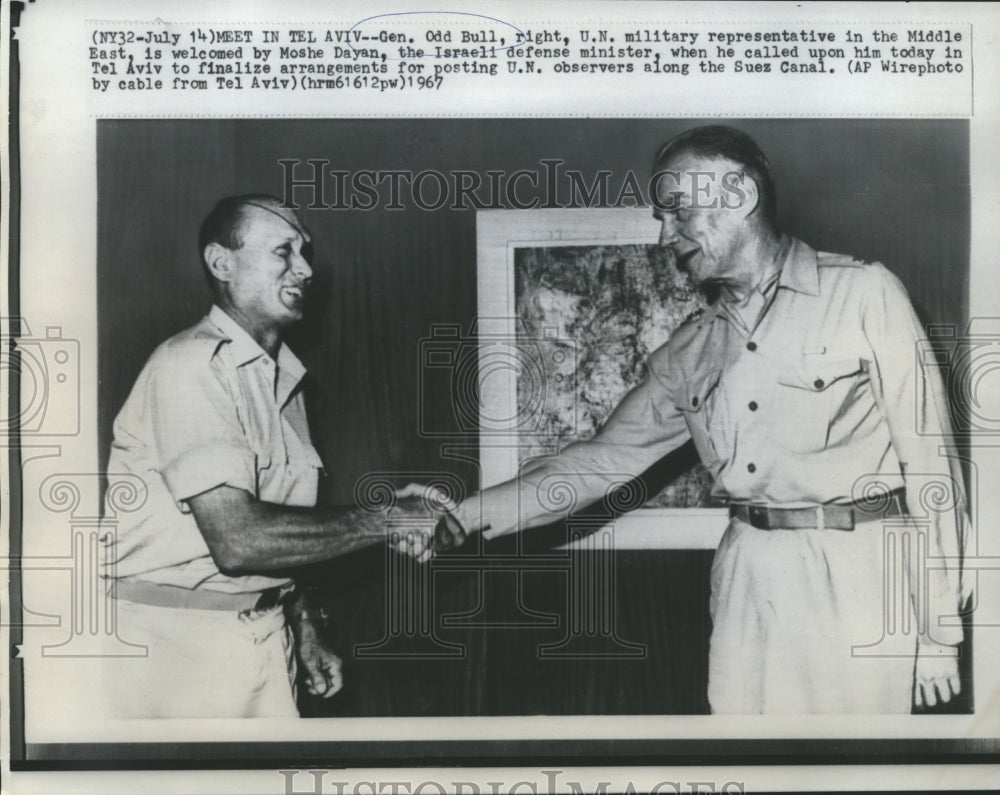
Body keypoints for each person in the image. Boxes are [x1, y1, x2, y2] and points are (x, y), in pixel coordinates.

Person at [416, 126, 971, 713]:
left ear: (739, 196)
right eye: (662, 217)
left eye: (678, 211)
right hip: (746, 580)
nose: (665, 234)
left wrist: (938, 631)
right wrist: (465, 516)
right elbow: (599, 463)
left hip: (862, 577)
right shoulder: (690, 350)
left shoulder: (865, 293)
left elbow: (932, 464)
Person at [100, 195, 453, 718]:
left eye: (304, 253)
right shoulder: (191, 365)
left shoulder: (283, 377)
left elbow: (283, 527)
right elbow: (239, 541)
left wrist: (305, 623)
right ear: (222, 263)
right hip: (175, 651)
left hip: (261, 638)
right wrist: (390, 519)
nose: (306, 269)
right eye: (284, 251)